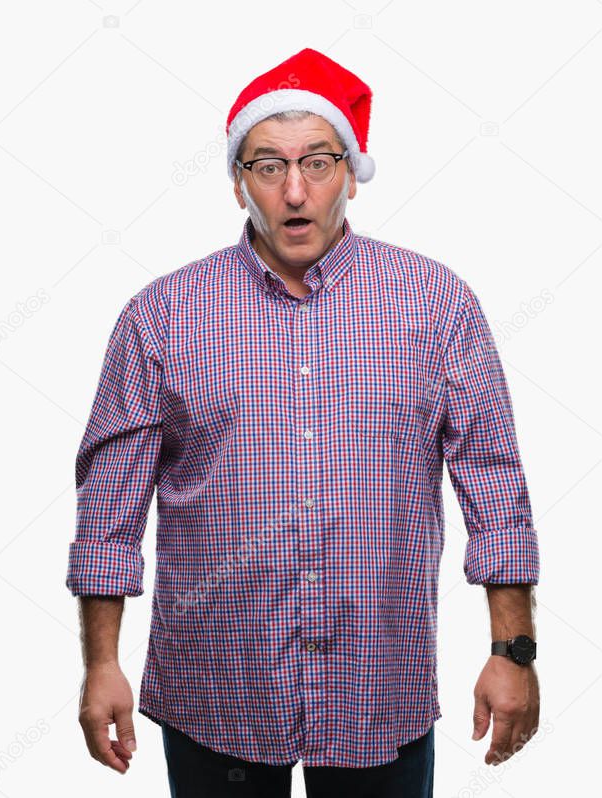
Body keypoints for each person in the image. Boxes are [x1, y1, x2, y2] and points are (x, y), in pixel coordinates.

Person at [65, 47, 541, 798]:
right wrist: (100, 666)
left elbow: (494, 482)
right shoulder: (161, 318)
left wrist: (513, 650)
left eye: (317, 163)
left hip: (378, 690)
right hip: (214, 694)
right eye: (267, 166)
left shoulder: (436, 304)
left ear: (351, 173)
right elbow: (109, 517)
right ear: (237, 183)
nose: (295, 190)